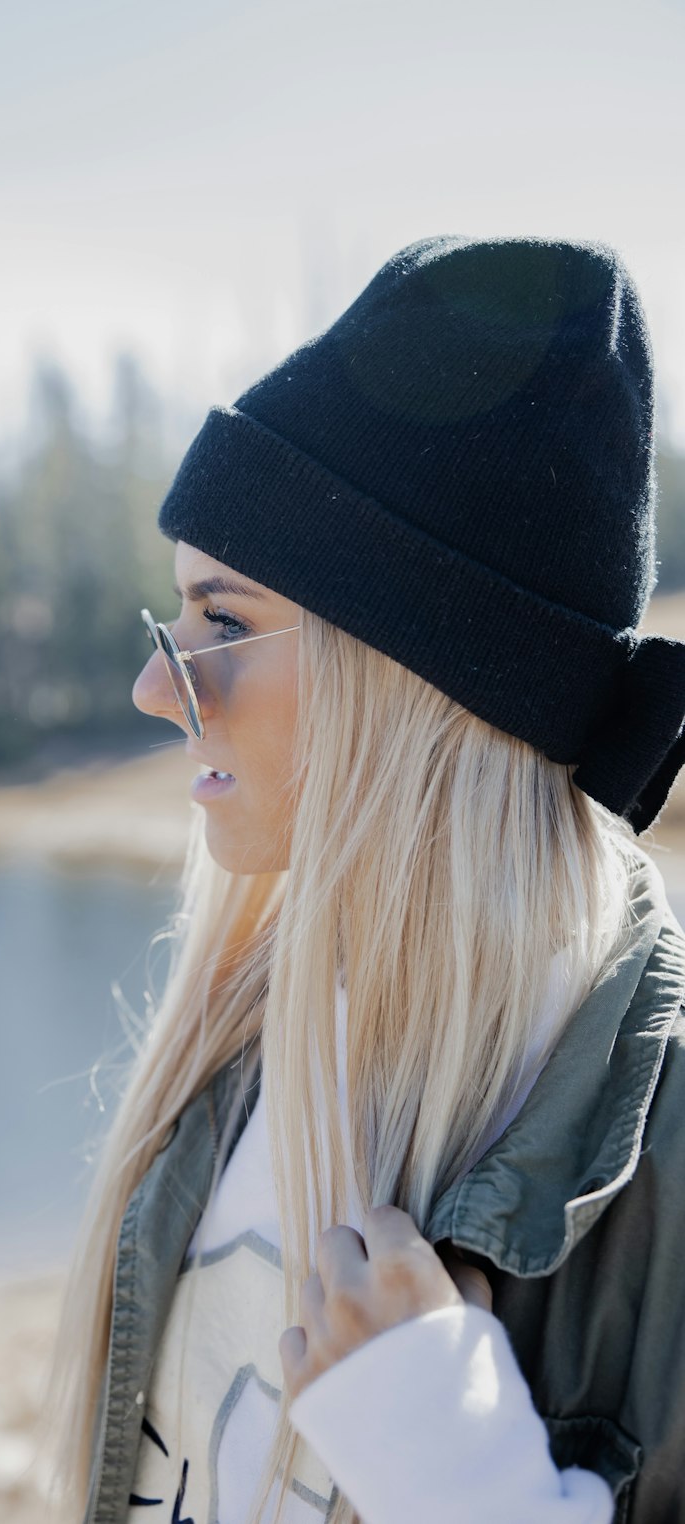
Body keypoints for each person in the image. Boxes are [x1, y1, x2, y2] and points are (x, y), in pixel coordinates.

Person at [38, 235, 685, 1524]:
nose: (154, 688)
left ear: (416, 688)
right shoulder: (228, 1049)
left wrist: (471, 1489)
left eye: (221, 627)